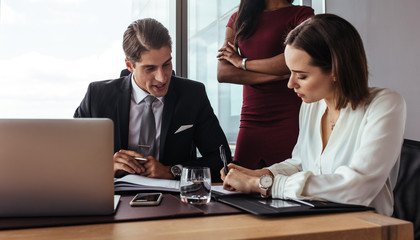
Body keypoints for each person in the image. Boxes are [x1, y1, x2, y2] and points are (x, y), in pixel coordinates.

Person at [220, 13, 406, 216]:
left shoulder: (385, 104)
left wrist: (262, 184)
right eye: (290, 72)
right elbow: (300, 163)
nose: (291, 84)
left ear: (336, 69)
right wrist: (260, 173)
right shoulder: (312, 105)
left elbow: (358, 188)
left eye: (301, 75)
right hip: (312, 220)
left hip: (364, 228)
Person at [74, 18, 231, 181]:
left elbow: (222, 160)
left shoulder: (193, 95)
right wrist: (106, 166)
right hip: (114, 199)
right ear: (129, 65)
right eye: (150, 68)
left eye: (166, 64)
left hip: (174, 201)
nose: (162, 78)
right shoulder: (98, 96)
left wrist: (172, 171)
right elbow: (70, 156)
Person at [217, 0, 314, 169]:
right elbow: (224, 73)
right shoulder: (238, 18)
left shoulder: (302, 14)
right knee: (237, 182)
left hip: (290, 117)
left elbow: (294, 59)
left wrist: (242, 63)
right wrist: (275, 76)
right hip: (251, 119)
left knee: (287, 183)